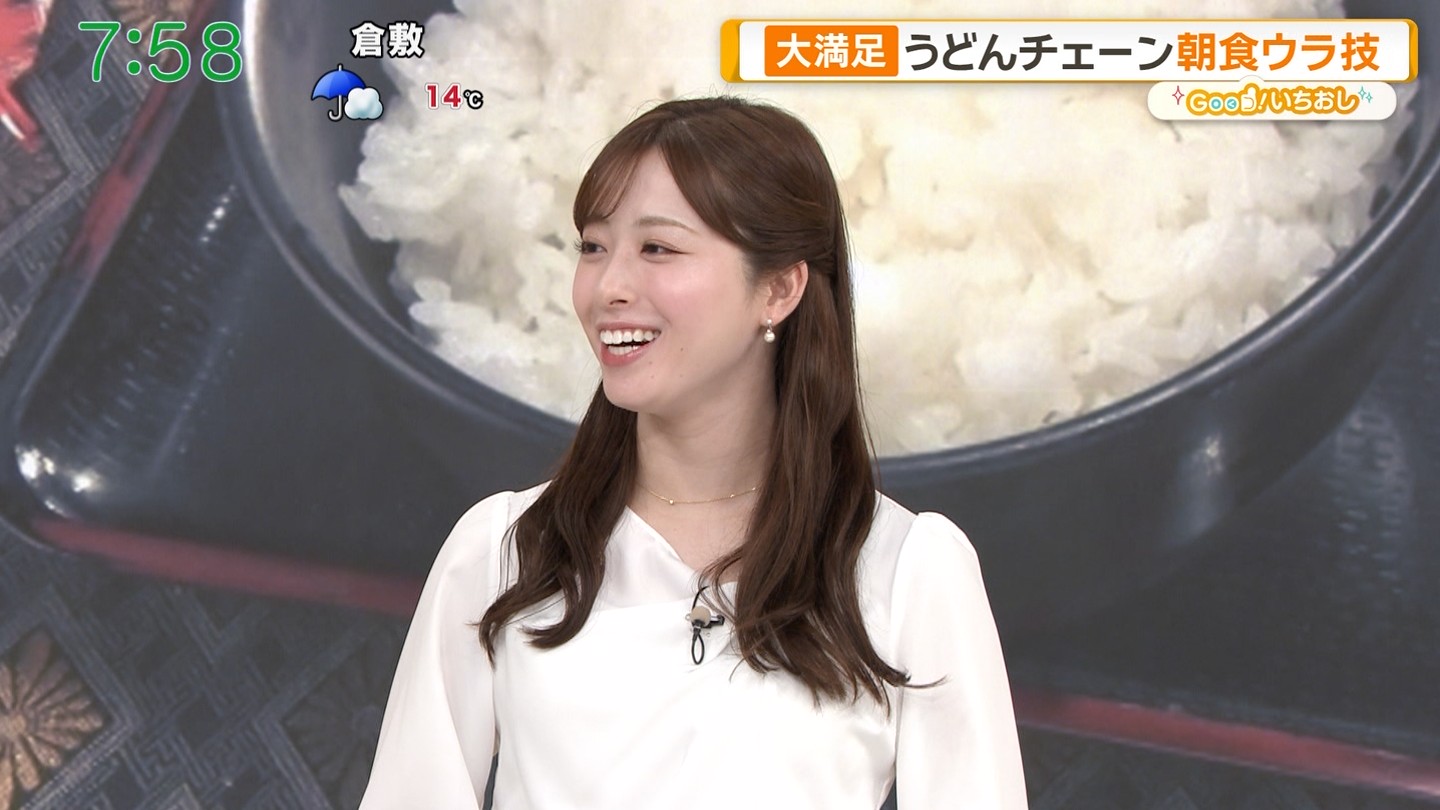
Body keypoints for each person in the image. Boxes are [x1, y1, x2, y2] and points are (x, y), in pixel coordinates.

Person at [359, 96, 1028, 809]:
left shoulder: (908, 570)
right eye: (593, 247)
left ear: (779, 288)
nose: (608, 288)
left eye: (658, 249)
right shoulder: (506, 550)